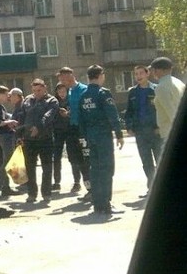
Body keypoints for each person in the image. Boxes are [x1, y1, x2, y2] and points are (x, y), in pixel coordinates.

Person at [77, 64, 124, 215]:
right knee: (107, 169)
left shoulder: (83, 95)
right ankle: (106, 203)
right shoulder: (103, 93)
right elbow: (112, 114)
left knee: (95, 170)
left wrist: (84, 136)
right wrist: (119, 133)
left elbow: (80, 119)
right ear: (100, 75)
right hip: (103, 135)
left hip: (91, 136)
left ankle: (97, 204)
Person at [16, 78, 58, 204]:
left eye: (39, 90)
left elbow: (49, 116)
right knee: (29, 168)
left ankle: (46, 193)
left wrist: (38, 127)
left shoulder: (52, 101)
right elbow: (21, 117)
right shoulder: (27, 100)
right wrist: (18, 134)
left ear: (45, 88)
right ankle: (32, 194)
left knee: (46, 167)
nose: (37, 93)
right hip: (29, 140)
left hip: (45, 138)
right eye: (34, 90)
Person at [124, 65, 161, 196]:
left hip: (155, 131)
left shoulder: (156, 89)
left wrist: (159, 126)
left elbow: (161, 110)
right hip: (140, 132)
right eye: (136, 74)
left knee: (160, 159)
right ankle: (151, 188)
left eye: (141, 73)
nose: (138, 76)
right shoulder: (133, 92)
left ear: (147, 74)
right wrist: (129, 126)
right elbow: (129, 111)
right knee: (146, 161)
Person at [56, 67, 92, 199]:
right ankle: (89, 189)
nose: (61, 82)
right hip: (73, 130)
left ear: (70, 75)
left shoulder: (84, 90)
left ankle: (95, 190)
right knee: (78, 161)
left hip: (84, 131)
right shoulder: (70, 92)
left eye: (62, 78)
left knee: (88, 161)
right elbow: (75, 110)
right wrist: (68, 114)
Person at [0, 85, 18, 198]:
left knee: (7, 160)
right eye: (6, 94)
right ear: (0, 95)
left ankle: (6, 188)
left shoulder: (0, 106)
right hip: (4, 136)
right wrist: (11, 121)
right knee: (7, 161)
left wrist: (9, 122)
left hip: (6, 135)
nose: (8, 97)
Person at [149, 57, 186, 143]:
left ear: (159, 70)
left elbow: (171, 111)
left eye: (153, 70)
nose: (152, 72)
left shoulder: (161, 87)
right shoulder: (178, 82)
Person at [51, 82, 75, 192]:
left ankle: (77, 181)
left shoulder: (72, 100)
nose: (61, 94)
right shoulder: (54, 102)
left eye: (63, 91)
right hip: (58, 131)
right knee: (56, 158)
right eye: (59, 91)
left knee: (73, 157)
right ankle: (56, 182)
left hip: (70, 131)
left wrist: (68, 114)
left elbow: (75, 114)